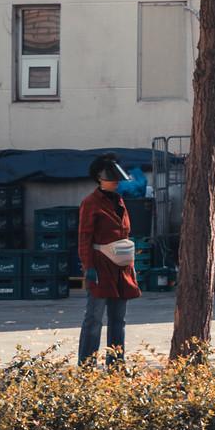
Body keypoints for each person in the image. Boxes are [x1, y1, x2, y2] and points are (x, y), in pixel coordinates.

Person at [77, 154, 141, 367]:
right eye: (110, 178)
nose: (115, 181)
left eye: (116, 178)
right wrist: (89, 267)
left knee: (118, 320)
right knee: (94, 320)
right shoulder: (90, 203)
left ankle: (116, 364)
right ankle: (87, 365)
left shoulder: (119, 201)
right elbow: (84, 237)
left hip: (121, 268)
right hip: (100, 265)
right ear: (99, 178)